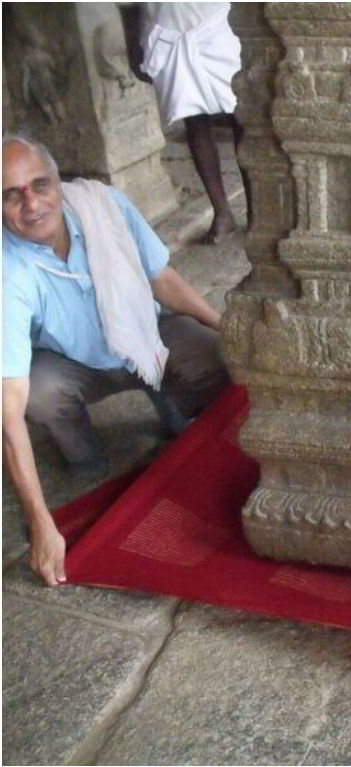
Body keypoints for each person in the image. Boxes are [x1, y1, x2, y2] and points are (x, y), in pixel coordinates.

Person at [1, 136, 228, 587]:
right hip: (72, 363)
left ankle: (174, 411)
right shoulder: (7, 269)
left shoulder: (104, 205)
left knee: (213, 355)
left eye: (40, 185)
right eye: (11, 194)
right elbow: (7, 400)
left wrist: (227, 328)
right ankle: (84, 460)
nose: (31, 203)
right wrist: (42, 522)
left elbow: (161, 278)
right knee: (39, 395)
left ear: (59, 183)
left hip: (144, 337)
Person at [122, 2, 245, 245]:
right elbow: (127, 5)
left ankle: (257, 209)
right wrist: (132, 44)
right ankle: (222, 213)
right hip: (167, 31)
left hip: (216, 26)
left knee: (241, 117)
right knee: (194, 120)